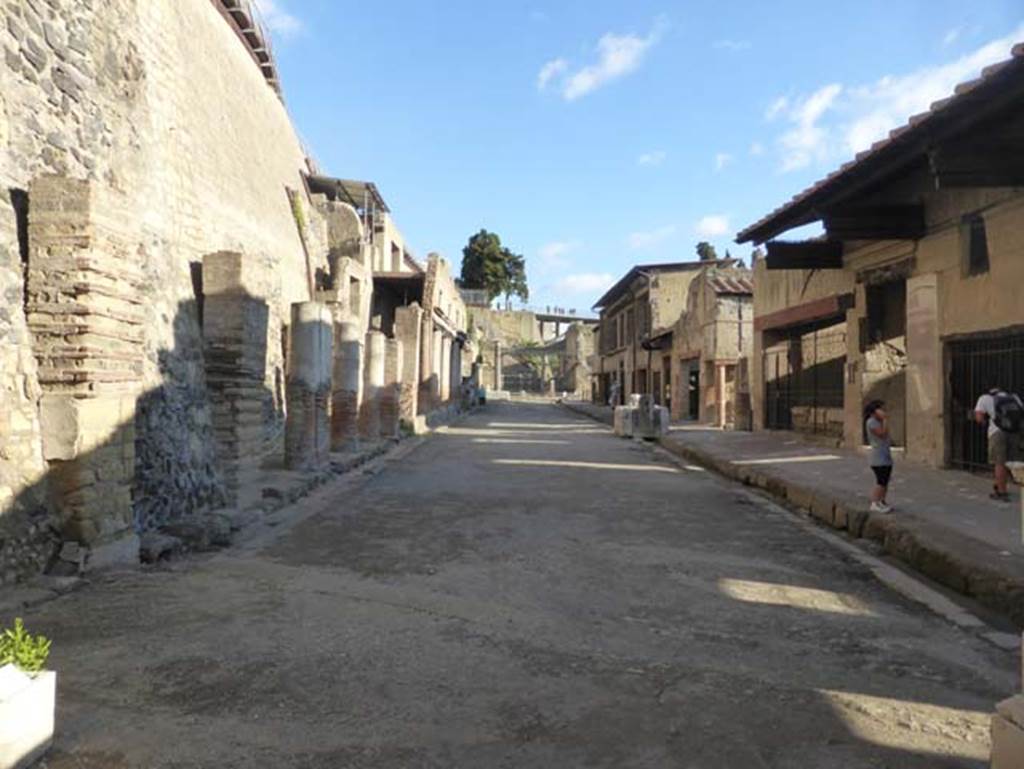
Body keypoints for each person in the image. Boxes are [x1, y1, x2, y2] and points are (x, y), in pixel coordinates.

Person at [974, 387, 1024, 501]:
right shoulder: (1014, 398)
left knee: (999, 462)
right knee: (1015, 463)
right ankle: (1014, 488)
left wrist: (985, 422)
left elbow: (979, 417)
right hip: (1014, 432)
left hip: (997, 433)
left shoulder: (985, 398)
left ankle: (1001, 492)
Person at [864, 400, 893, 513]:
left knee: (885, 480)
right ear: (874, 411)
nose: (883, 411)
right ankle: (875, 503)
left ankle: (882, 501)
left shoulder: (878, 421)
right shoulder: (871, 422)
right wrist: (885, 419)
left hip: (885, 456)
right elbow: (882, 434)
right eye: (881, 409)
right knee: (880, 481)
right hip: (878, 458)